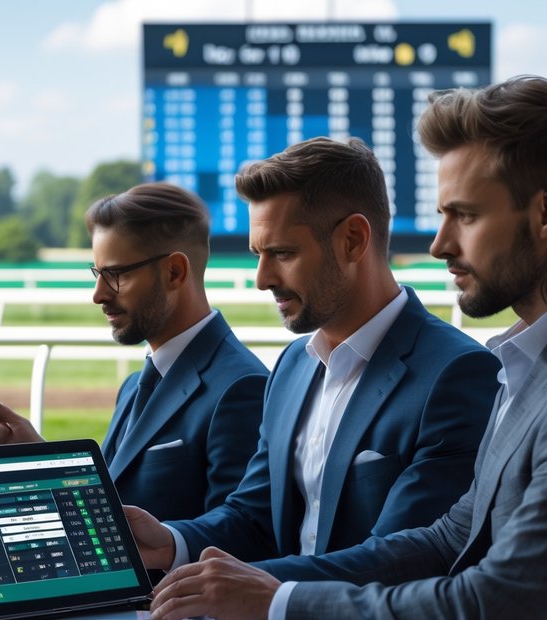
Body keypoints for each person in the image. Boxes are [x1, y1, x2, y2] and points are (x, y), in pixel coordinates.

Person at [145, 75, 547, 620]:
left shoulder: (467, 371)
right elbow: (450, 534)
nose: (439, 244)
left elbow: (481, 614)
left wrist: (276, 606)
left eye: (465, 215)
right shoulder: (522, 368)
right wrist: (209, 569)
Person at [124, 137, 501, 574]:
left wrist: (260, 589)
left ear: (353, 240)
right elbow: (254, 518)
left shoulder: (458, 374)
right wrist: (172, 543)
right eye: (258, 255)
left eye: (282, 253)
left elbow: (405, 560)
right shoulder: (291, 366)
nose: (263, 279)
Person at [0, 182, 268, 523]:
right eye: (98, 274)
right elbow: (107, 511)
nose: (98, 294)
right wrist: (33, 456)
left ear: (175, 272)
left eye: (115, 275)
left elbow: (237, 541)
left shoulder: (243, 387)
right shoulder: (133, 386)